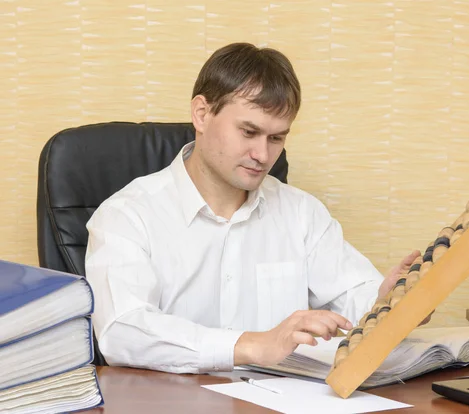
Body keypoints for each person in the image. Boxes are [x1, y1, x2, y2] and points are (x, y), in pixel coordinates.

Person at [85, 42, 428, 374]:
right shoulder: (127, 215)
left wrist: (392, 298)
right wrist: (251, 345)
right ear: (202, 114)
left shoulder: (301, 213)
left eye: (276, 138)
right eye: (249, 132)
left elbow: (354, 300)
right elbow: (122, 330)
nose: (263, 156)